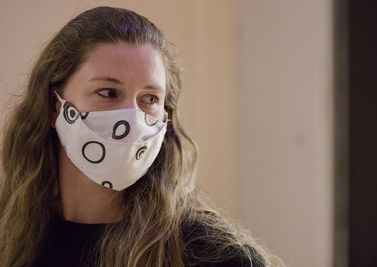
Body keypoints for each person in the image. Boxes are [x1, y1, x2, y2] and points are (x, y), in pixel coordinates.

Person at [0, 6, 284, 267]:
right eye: (108, 93)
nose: (131, 119)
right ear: (54, 107)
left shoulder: (217, 257)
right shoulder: (9, 237)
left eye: (149, 98)